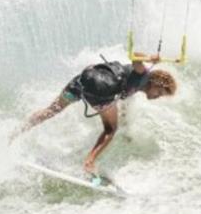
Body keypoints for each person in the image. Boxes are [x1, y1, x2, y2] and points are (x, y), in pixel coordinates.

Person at [18, 53, 177, 175]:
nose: (158, 97)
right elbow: (135, 57)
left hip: (81, 82)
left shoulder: (134, 86)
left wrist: (127, 130)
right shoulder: (143, 75)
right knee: (110, 129)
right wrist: (150, 58)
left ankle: (17, 132)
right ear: (156, 83)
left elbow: (123, 107)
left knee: (52, 110)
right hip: (101, 90)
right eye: (160, 92)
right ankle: (89, 162)